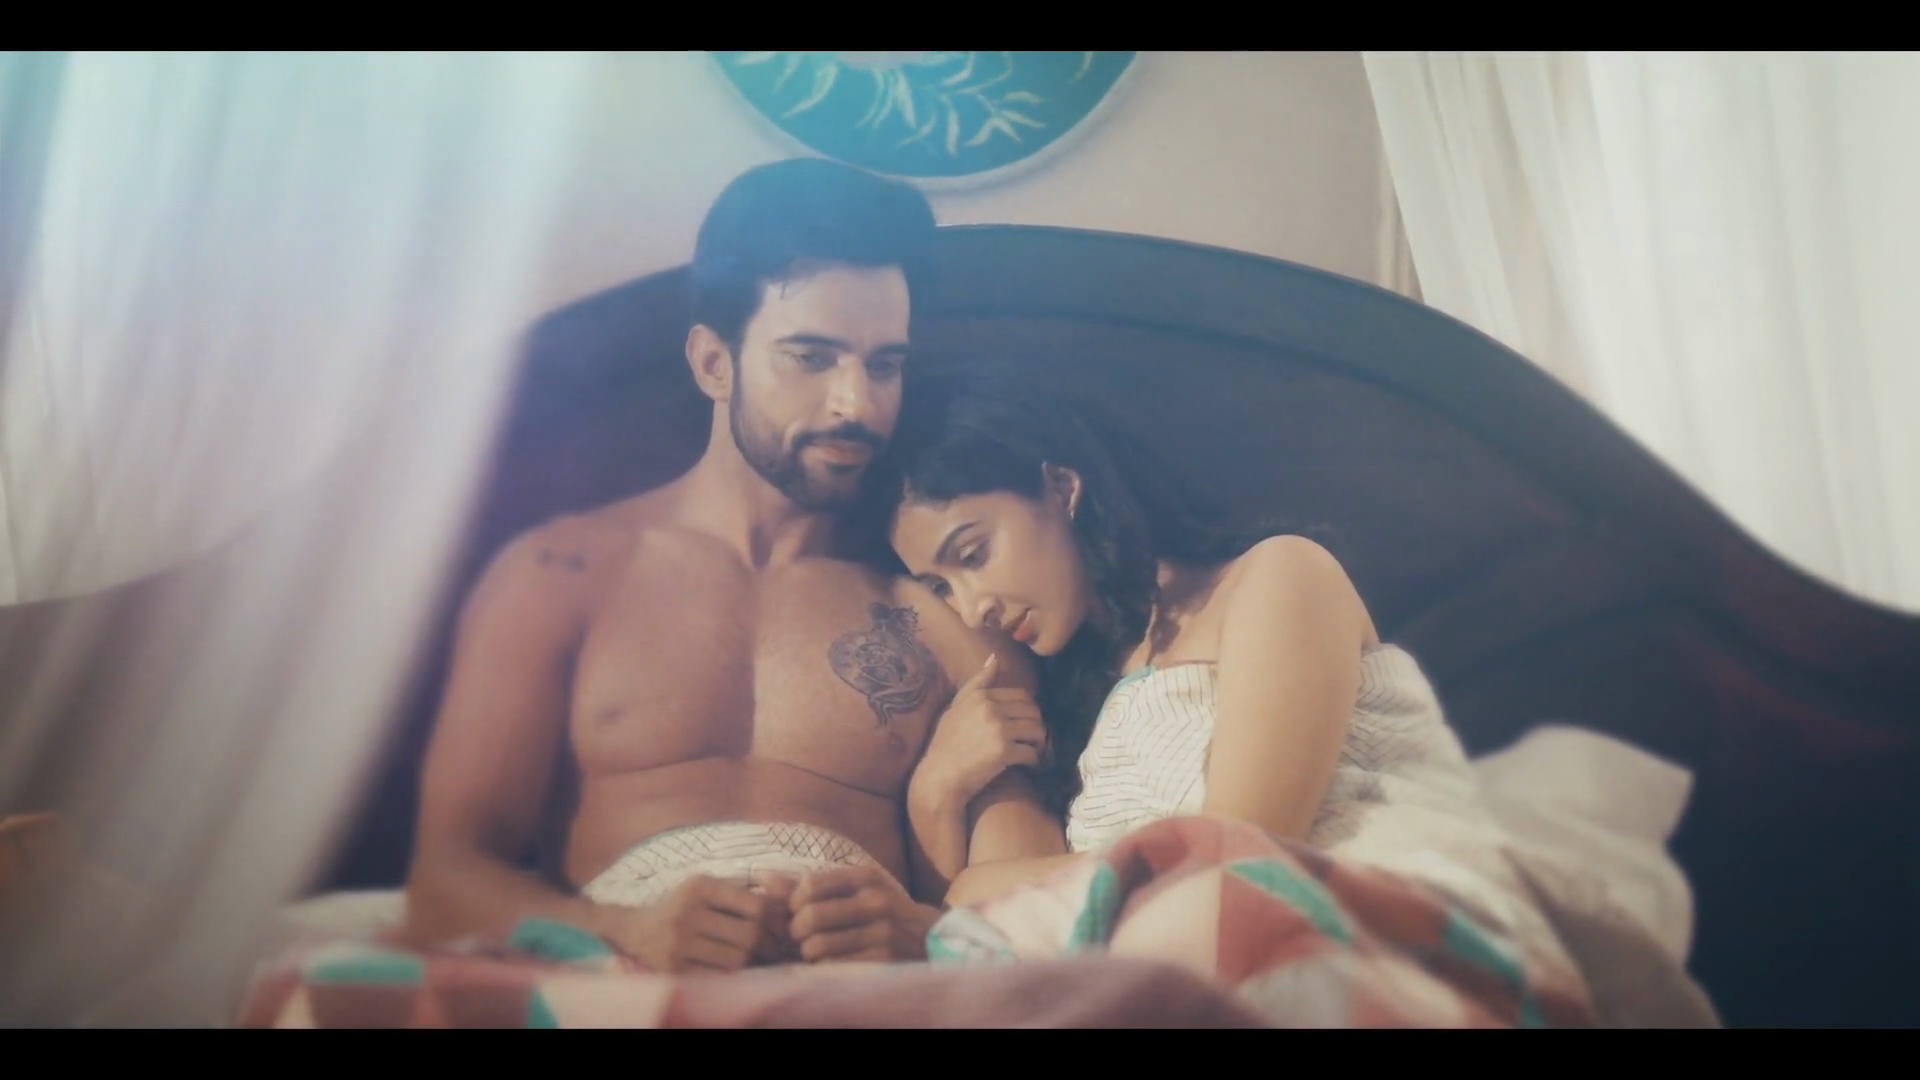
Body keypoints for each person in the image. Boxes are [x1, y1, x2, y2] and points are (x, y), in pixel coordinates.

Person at [400, 159, 1059, 974]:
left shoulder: (950, 615)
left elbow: (1029, 917)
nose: (857, 404)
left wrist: (922, 932)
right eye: (811, 358)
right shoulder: (564, 574)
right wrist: (619, 931)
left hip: (862, 1001)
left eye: (884, 365)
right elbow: (445, 883)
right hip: (630, 989)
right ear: (714, 363)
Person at [884, 366, 1576, 942]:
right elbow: (986, 946)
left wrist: (982, 887)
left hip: (1383, 941)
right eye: (941, 587)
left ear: (1062, 488)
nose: (972, 609)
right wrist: (932, 795)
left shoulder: (1279, 577)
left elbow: (1240, 859)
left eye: (973, 554)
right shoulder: (1077, 731)